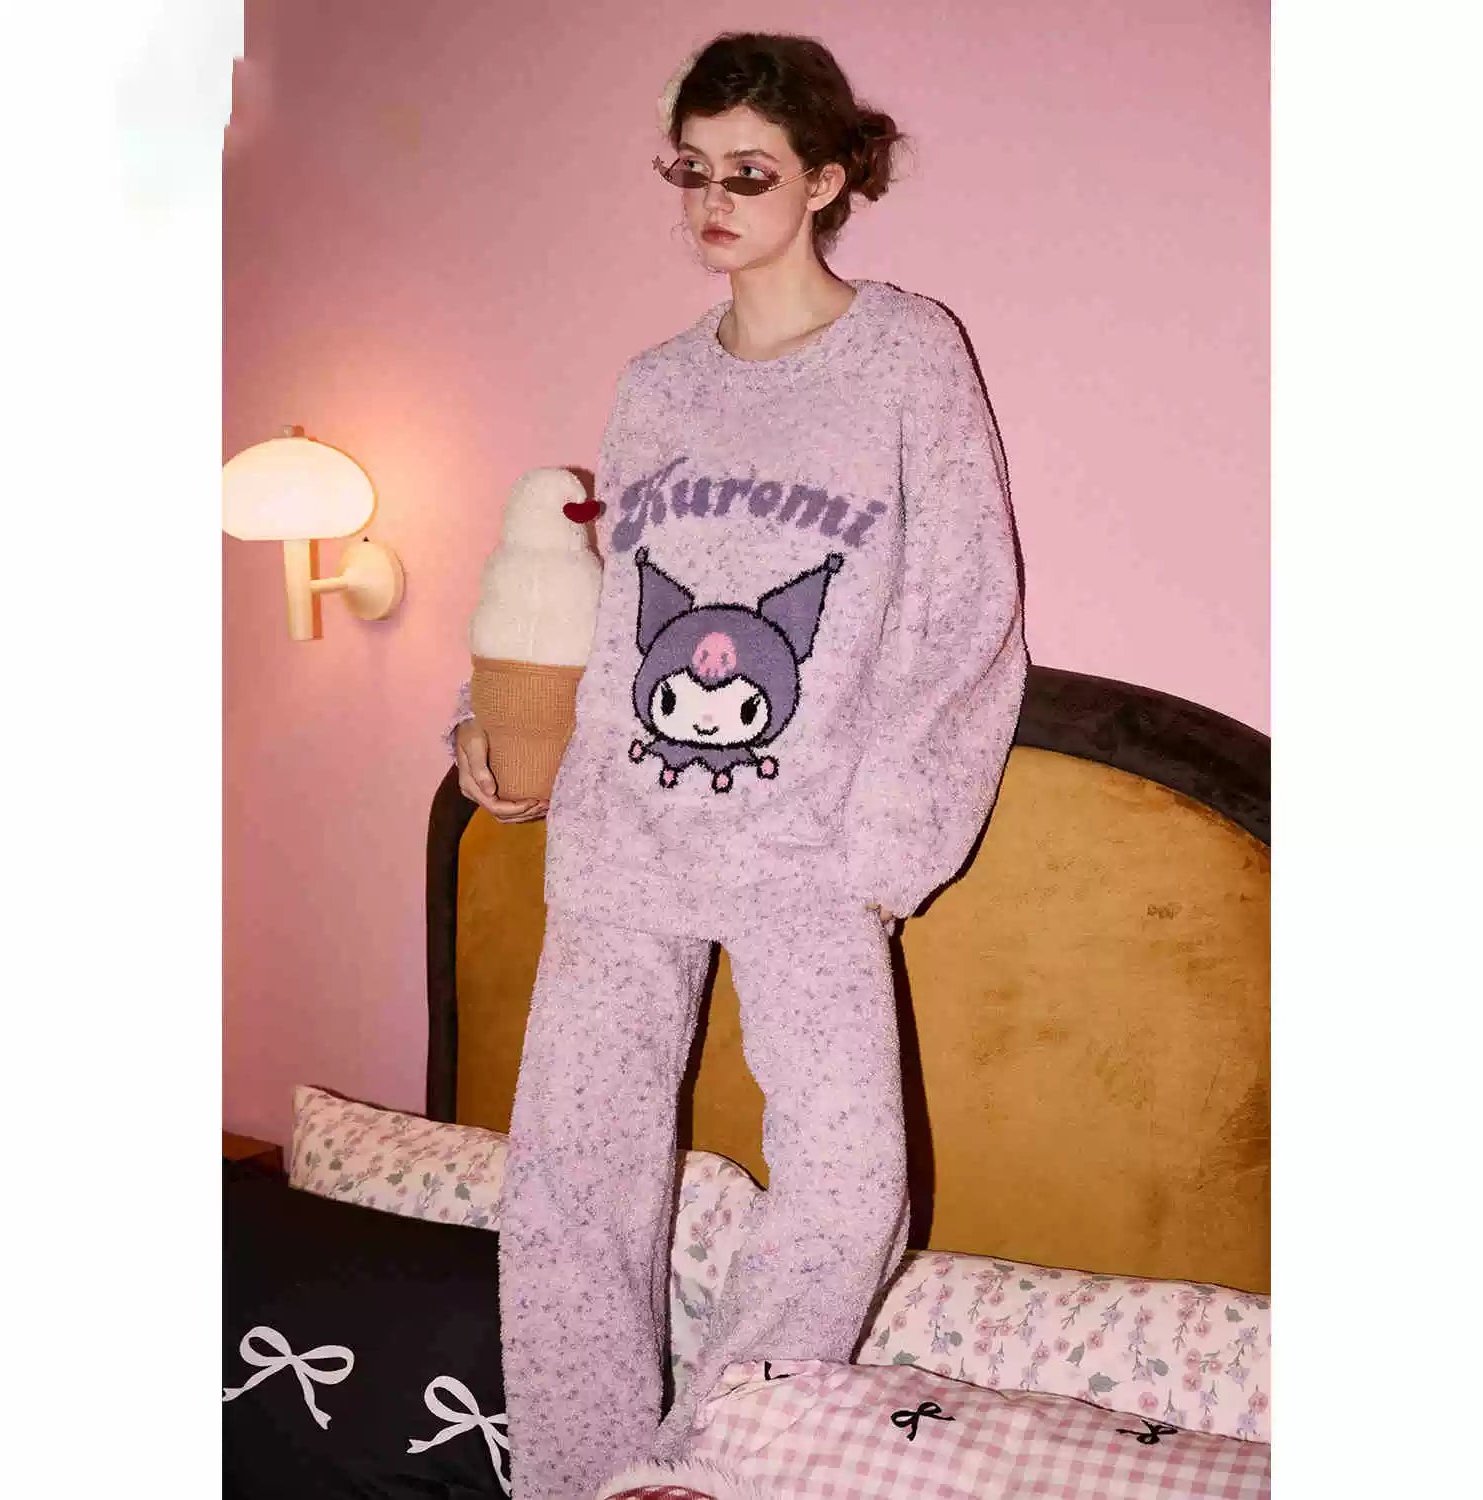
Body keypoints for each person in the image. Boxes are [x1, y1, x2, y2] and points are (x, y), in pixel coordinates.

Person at [447, 32, 1028, 1499]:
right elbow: (608, 607)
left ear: (827, 178)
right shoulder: (653, 384)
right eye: (691, 170)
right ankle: (578, 1477)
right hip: (623, 828)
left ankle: (699, 1467)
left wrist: (890, 846)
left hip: (810, 848)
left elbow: (964, 606)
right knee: (574, 1180)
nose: (711, 201)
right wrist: (502, 731)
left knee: (848, 1180)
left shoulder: (908, 351)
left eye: (748, 174)